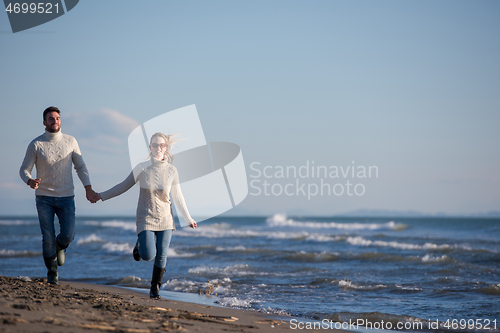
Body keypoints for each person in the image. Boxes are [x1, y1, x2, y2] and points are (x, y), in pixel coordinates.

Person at [96, 132, 197, 299]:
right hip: (145, 218)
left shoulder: (172, 170)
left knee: (162, 253)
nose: (158, 148)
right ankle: (140, 245)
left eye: (162, 145)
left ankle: (155, 289)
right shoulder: (141, 168)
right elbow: (122, 186)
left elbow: (178, 196)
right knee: (149, 255)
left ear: (166, 148)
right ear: (150, 148)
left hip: (166, 218)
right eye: (155, 145)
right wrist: (101, 196)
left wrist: (188, 218)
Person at [20, 106, 99, 285]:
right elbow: (24, 169)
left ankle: (60, 247)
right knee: (47, 236)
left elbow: (81, 166)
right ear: (44, 122)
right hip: (44, 198)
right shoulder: (36, 144)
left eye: (57, 118)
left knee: (68, 235)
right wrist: (29, 180)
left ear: (60, 121)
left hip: (66, 197)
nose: (54, 121)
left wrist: (88, 188)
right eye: (50, 118)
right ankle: (52, 272)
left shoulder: (71, 141)